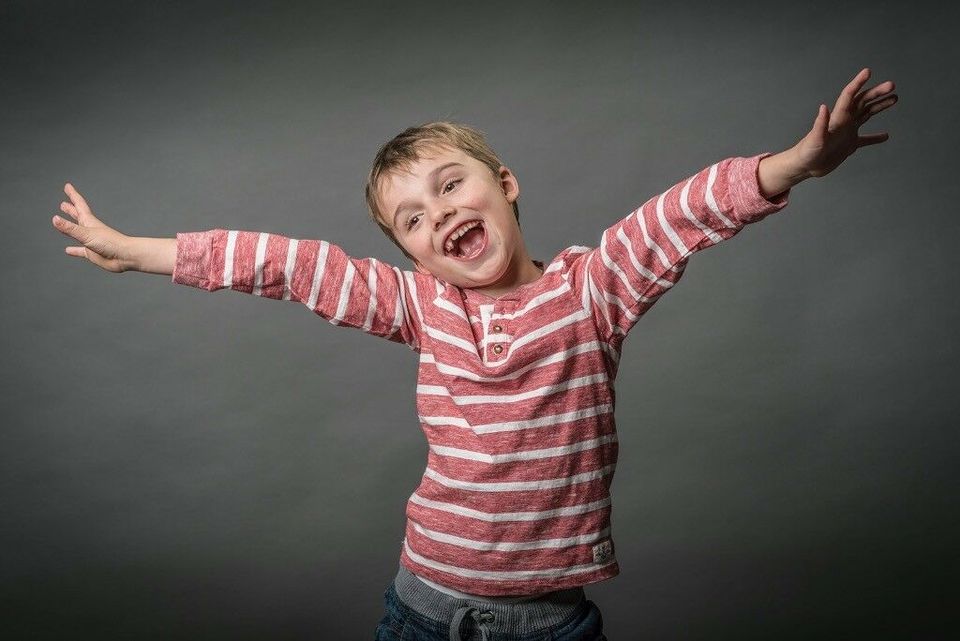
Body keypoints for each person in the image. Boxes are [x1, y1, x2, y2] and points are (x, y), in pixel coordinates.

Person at [51, 68, 897, 640]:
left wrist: (792, 165)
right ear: (411, 254)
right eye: (411, 218)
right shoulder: (420, 305)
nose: (437, 214)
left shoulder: (593, 290)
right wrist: (138, 250)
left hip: (552, 622)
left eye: (450, 184)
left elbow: (677, 215)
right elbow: (287, 265)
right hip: (421, 609)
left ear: (506, 182)